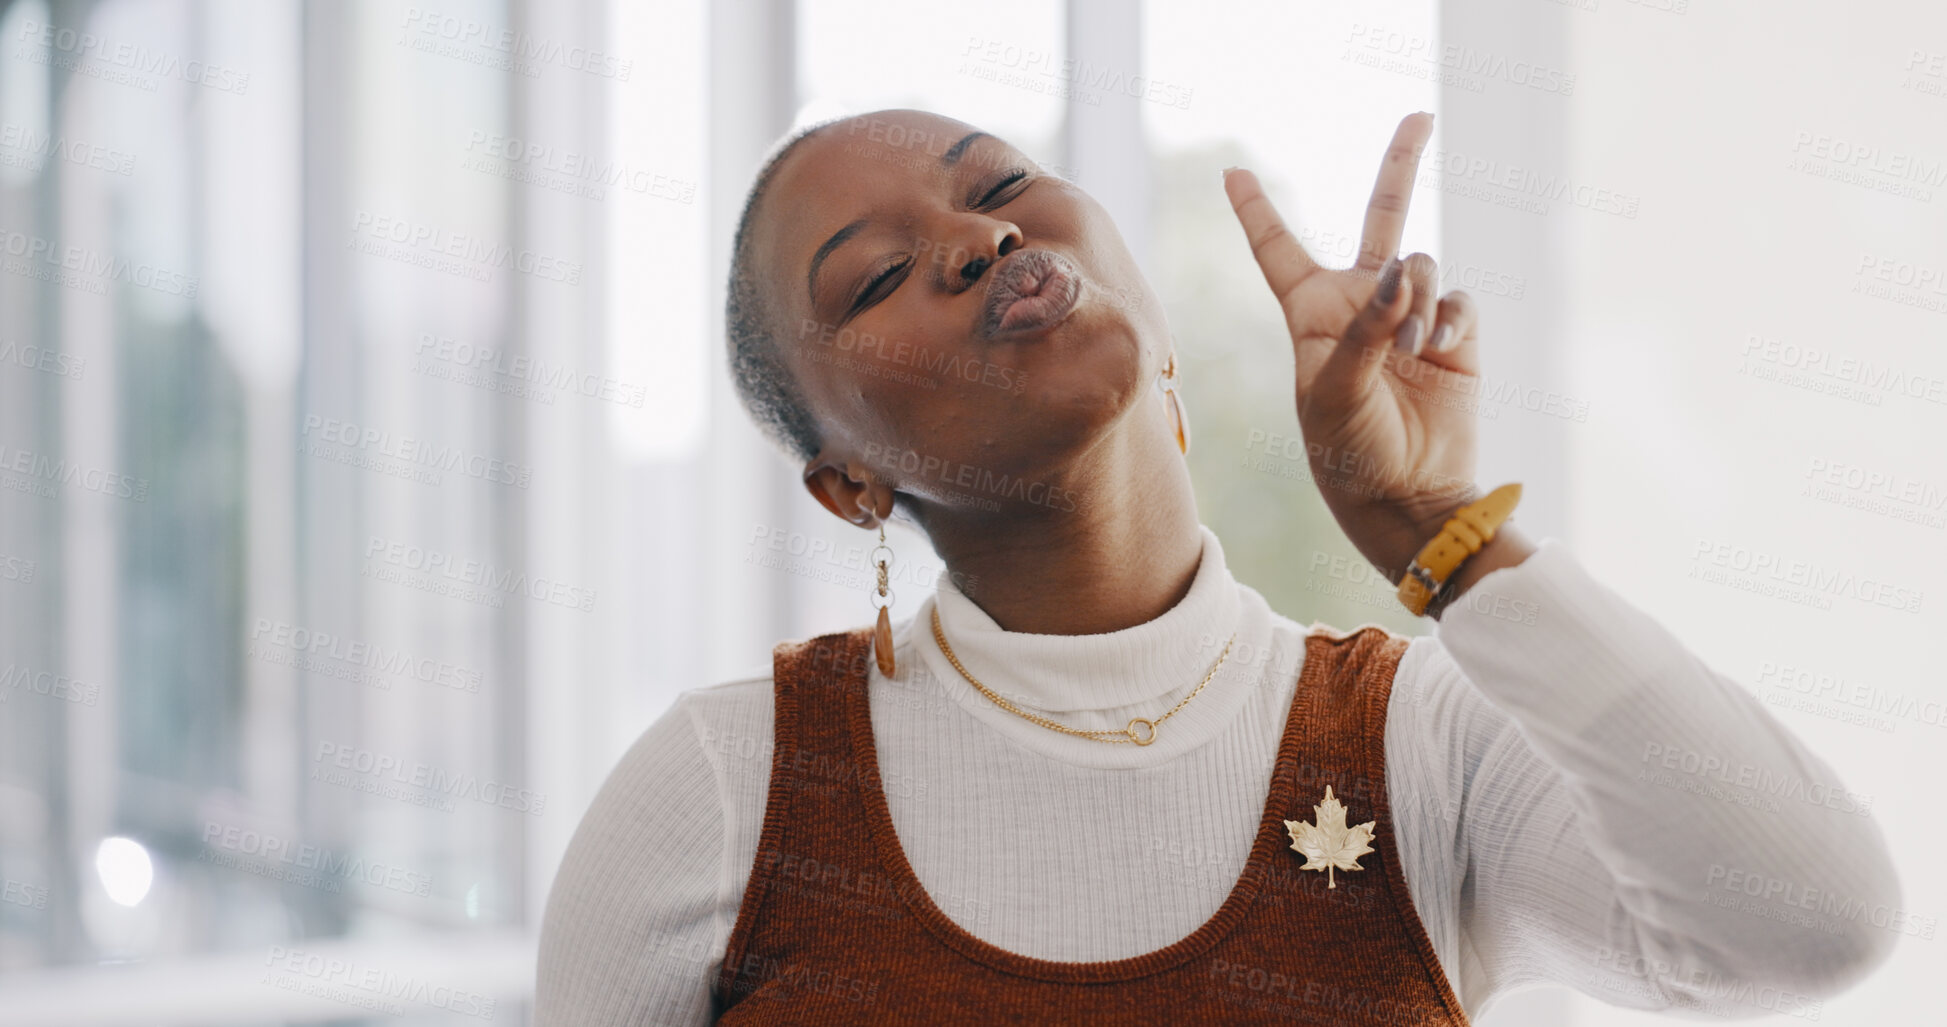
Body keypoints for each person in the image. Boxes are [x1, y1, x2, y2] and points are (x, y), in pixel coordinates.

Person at [535, 108, 1900, 1024]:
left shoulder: (1420, 749)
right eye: (877, 277)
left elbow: (1815, 925)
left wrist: (1442, 535)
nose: (977, 238)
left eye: (999, 186)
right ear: (848, 485)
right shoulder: (729, 789)